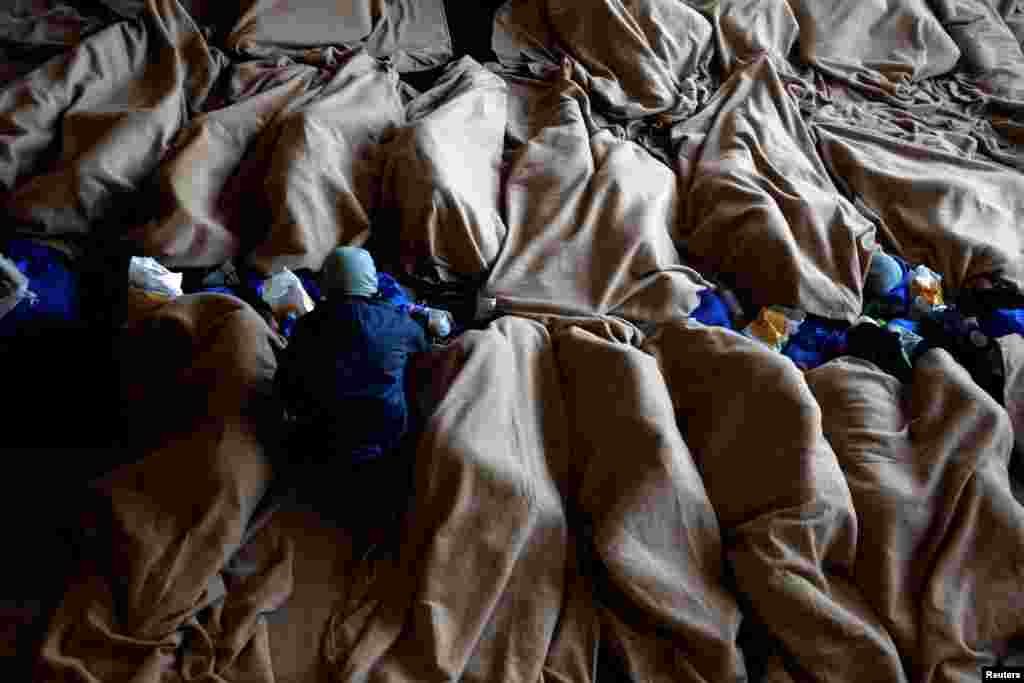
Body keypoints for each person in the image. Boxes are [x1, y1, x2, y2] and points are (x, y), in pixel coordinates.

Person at [274, 247, 429, 509]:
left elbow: (285, 386)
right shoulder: (400, 324)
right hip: (389, 438)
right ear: (372, 280)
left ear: (327, 280)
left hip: (321, 441)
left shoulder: (307, 327)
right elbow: (424, 354)